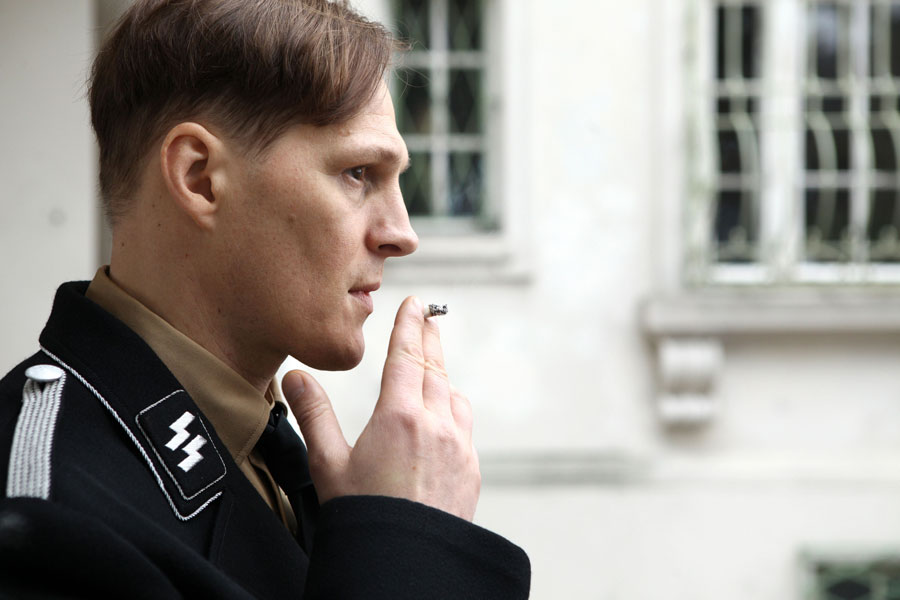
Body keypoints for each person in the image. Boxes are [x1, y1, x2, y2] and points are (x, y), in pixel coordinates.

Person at [0, 0, 531, 597]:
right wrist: (411, 550)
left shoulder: (275, 459)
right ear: (200, 177)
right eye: (359, 173)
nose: (402, 234)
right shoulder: (43, 515)